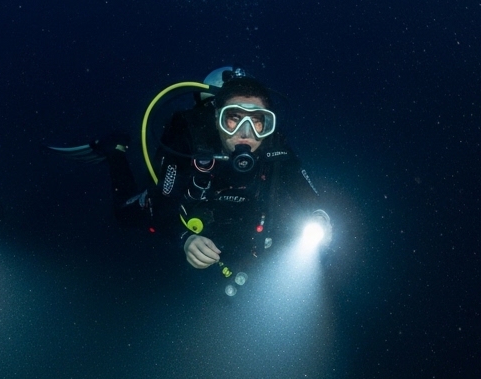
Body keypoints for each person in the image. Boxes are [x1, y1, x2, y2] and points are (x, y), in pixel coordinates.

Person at [54, 67, 323, 282]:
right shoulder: (191, 140)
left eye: (257, 120)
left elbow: (307, 193)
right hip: (188, 210)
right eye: (234, 118)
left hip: (234, 228)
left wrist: (320, 216)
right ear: (216, 118)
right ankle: (116, 153)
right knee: (124, 215)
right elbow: (164, 201)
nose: (246, 132)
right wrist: (185, 238)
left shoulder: (275, 147)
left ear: (267, 124)